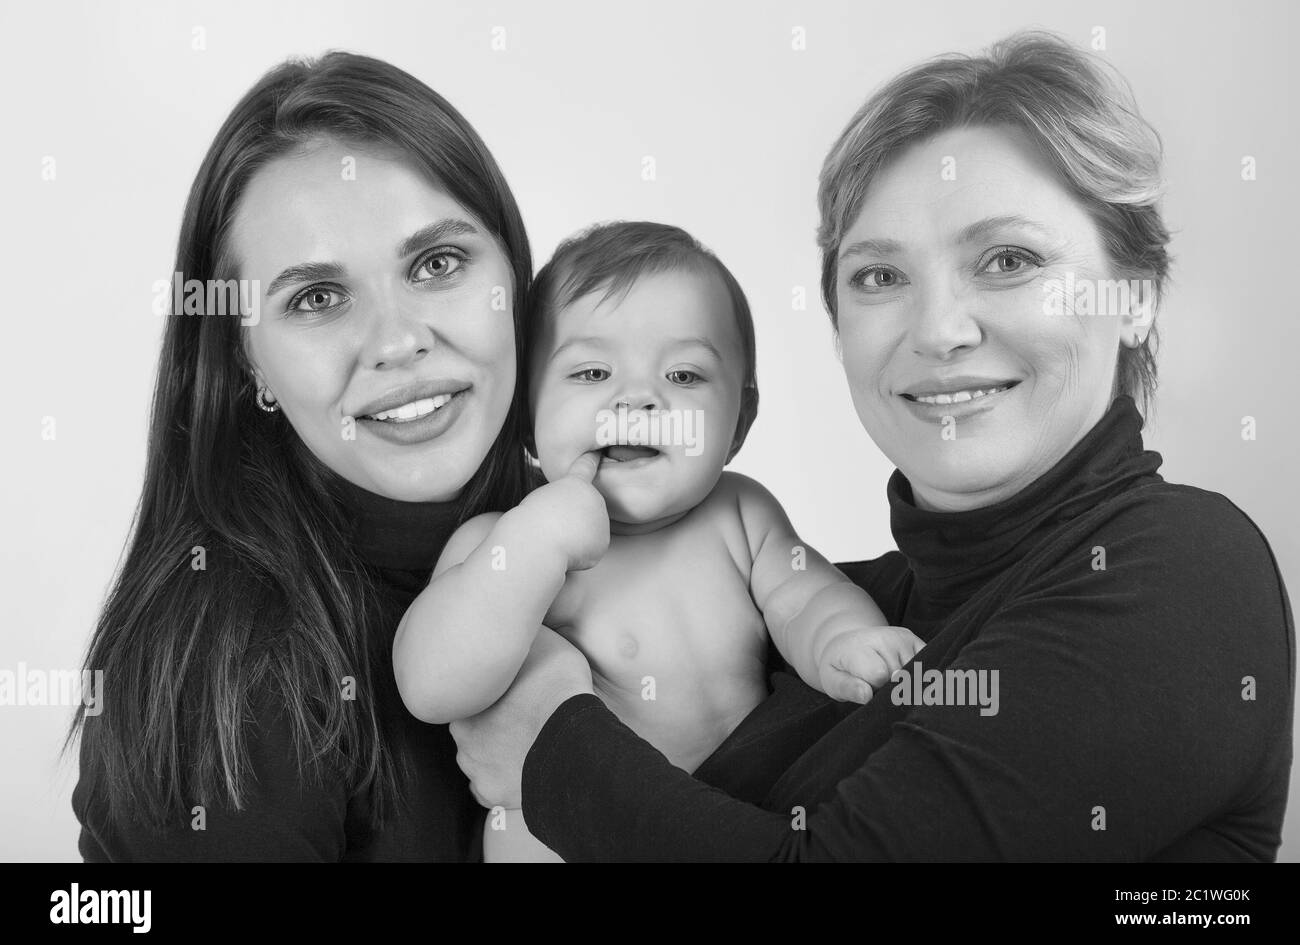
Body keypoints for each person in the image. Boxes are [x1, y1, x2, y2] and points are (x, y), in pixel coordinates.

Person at [449, 31, 1296, 861]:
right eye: (881, 277)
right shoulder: (837, 605)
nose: (938, 330)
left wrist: (549, 746)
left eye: (1008, 258)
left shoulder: (1183, 570)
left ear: (1137, 297)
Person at [69, 52, 535, 861]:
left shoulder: (617, 542)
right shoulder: (226, 669)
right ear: (248, 361)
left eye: (438, 263)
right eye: (317, 298)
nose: (397, 342)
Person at [393, 221, 924, 861]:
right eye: (590, 372)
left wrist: (844, 642)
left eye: (684, 376)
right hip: (560, 834)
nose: (638, 398)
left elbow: (804, 596)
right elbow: (432, 684)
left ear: (739, 424)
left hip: (714, 825)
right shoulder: (500, 543)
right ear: (525, 420)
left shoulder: (741, 514)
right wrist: (538, 537)